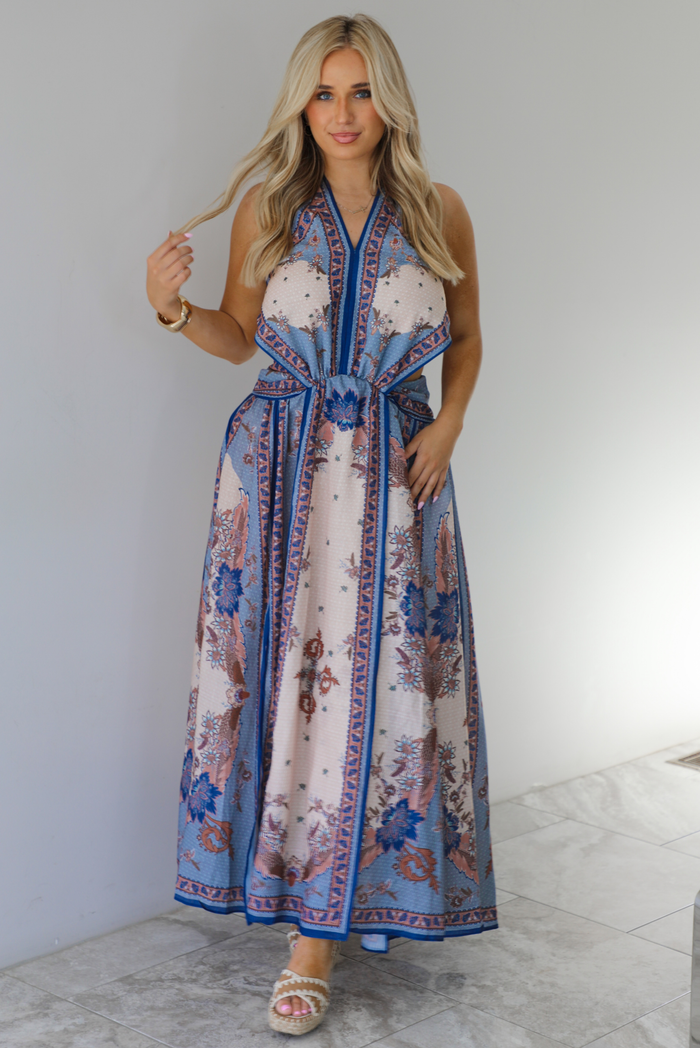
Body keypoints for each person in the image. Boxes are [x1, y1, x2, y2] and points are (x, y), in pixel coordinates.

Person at [146, 13, 497, 1036]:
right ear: (302, 102)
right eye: (323, 93)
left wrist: (451, 426)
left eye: (359, 92)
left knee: (385, 697)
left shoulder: (440, 209)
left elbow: (469, 335)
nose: (342, 114)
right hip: (277, 477)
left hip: (396, 478)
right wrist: (169, 308)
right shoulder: (269, 207)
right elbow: (236, 338)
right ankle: (305, 930)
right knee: (284, 686)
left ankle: (335, 926)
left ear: (388, 99)